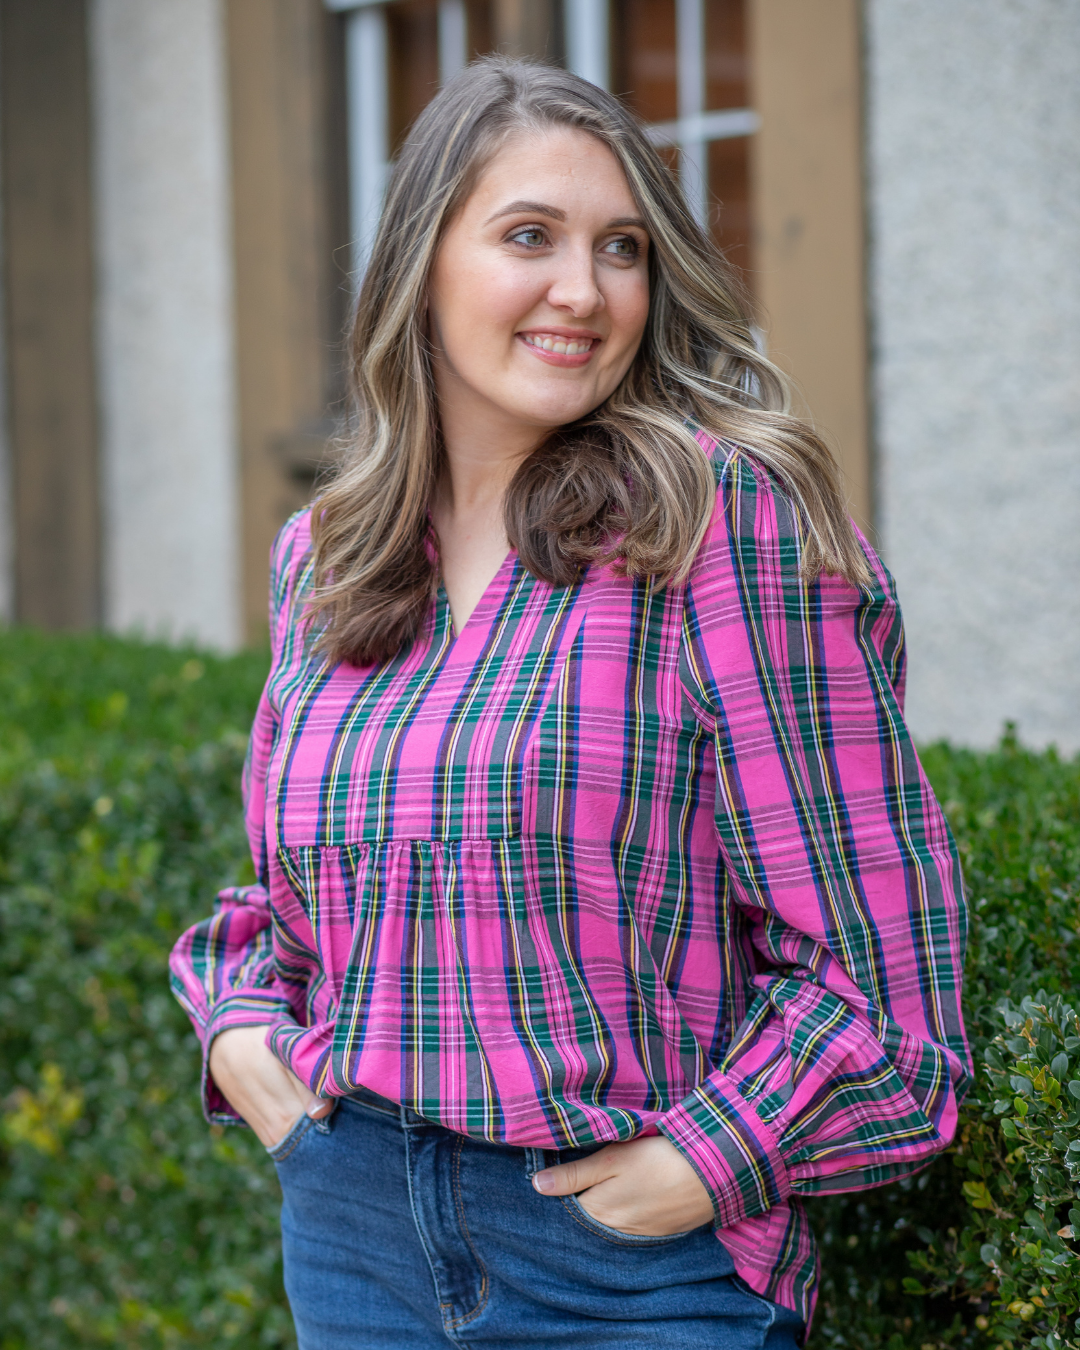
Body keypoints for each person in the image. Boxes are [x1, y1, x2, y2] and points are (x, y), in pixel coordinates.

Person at [169, 56, 969, 1349]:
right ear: (423, 264)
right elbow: (291, 909)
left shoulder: (717, 527)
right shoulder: (328, 557)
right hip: (354, 1244)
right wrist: (240, 1032)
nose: (585, 292)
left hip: (625, 1275)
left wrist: (707, 1160)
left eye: (622, 248)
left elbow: (885, 991)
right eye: (530, 236)